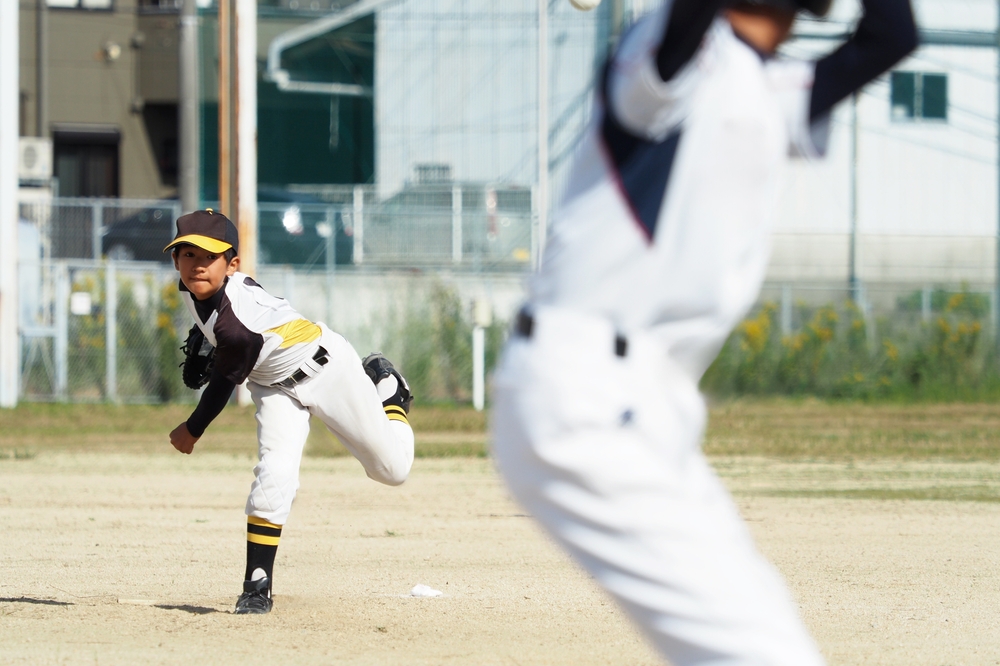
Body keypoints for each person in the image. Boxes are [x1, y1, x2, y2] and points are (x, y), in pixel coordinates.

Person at [490, 0, 917, 663]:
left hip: (653, 406)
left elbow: (892, 34)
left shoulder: (775, 88)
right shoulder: (674, 50)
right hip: (582, 392)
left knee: (770, 639)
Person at [165, 209, 414, 615]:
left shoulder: (234, 325)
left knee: (393, 470)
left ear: (231, 264)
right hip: (274, 385)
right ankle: (256, 586)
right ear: (175, 260)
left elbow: (224, 384)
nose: (196, 264)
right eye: (187, 254)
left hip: (327, 370)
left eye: (208, 257)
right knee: (274, 473)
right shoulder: (198, 293)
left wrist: (192, 429)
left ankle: (391, 397)